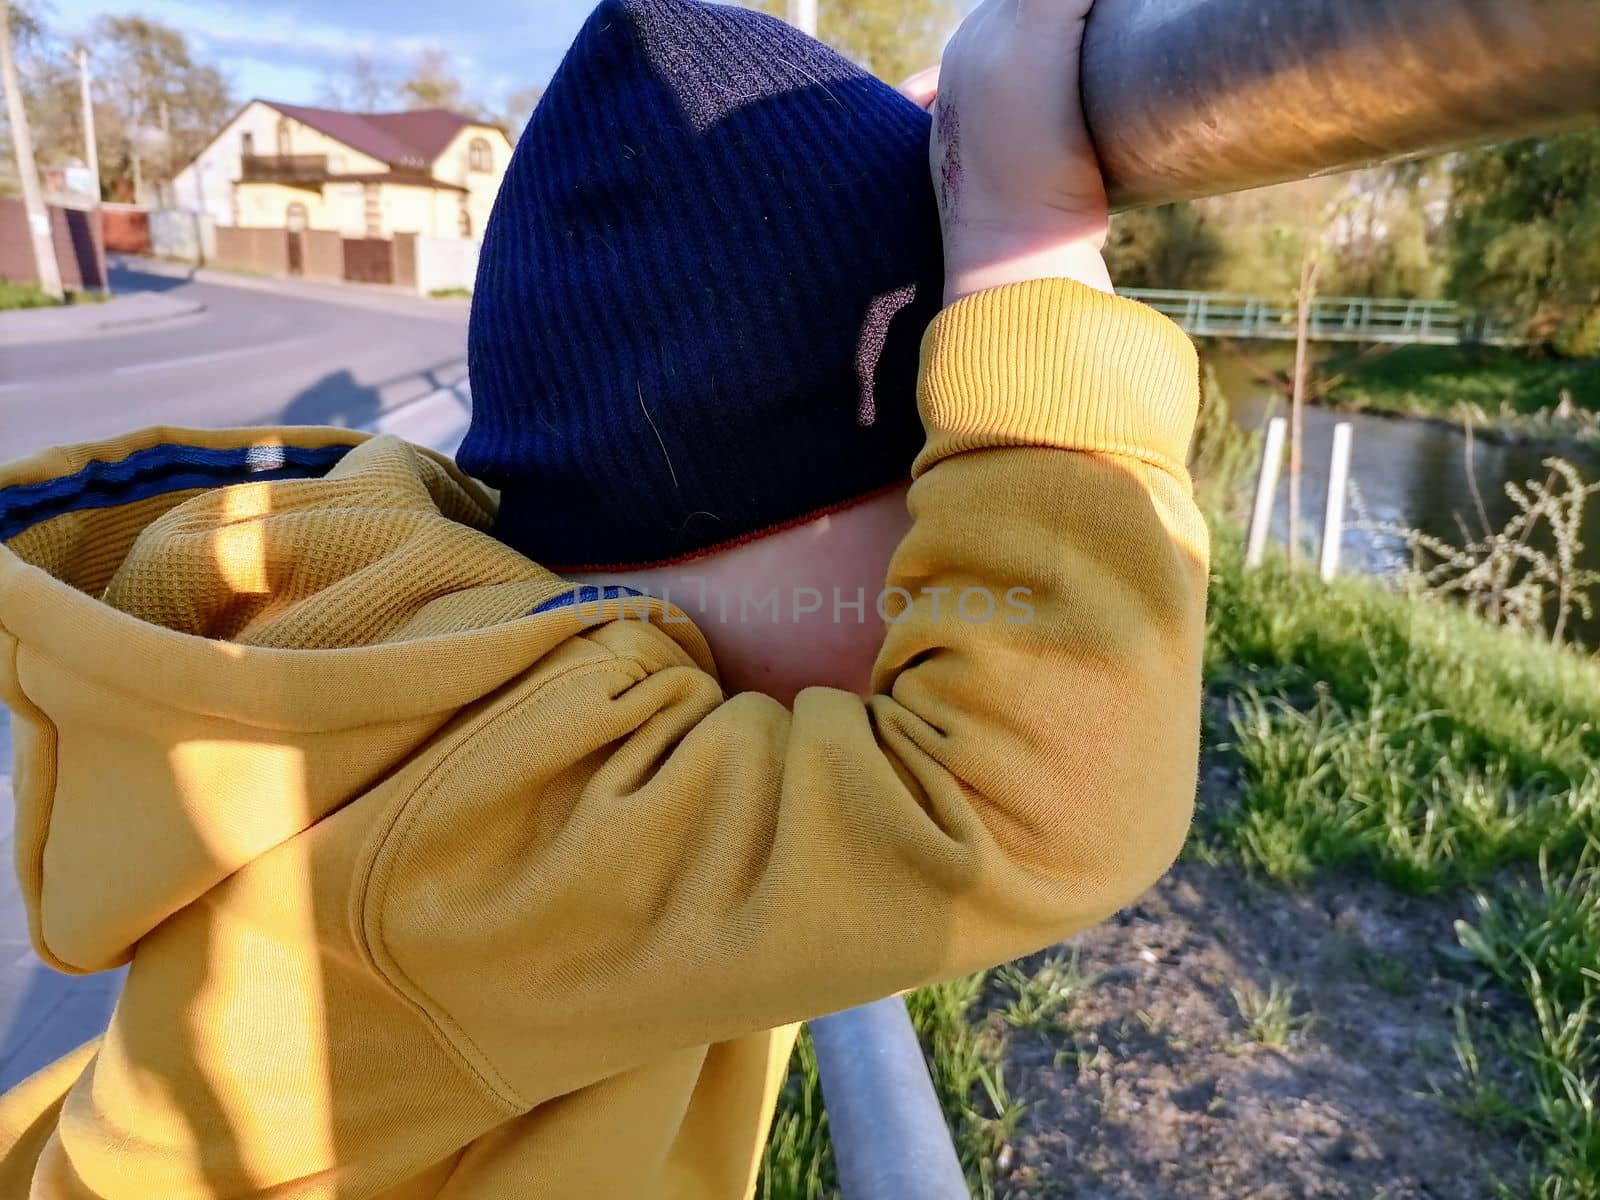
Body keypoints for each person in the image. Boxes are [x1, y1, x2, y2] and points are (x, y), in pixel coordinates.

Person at [0, 0, 1207, 1194]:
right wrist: (1026, 251)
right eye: (928, 511)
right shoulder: (500, 805)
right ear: (734, 515)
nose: (937, 586)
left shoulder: (472, 691)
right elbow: (1038, 808)